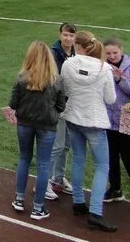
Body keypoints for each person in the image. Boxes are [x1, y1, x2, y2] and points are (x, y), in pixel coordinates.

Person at [60, 30, 117, 232]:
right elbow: (110, 99)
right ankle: (95, 212)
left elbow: (64, 90)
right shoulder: (104, 68)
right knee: (102, 166)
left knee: (78, 159)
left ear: (78, 46)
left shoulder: (69, 64)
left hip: (73, 118)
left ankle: (78, 202)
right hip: (94, 121)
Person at [9, 41, 65, 220]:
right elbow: (61, 105)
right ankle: (38, 207)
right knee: (43, 164)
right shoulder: (56, 80)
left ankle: (19, 199)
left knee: (24, 158)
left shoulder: (22, 77)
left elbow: (13, 103)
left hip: (24, 124)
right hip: (47, 127)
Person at [103, 38, 130, 203]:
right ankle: (115, 189)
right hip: (108, 121)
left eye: (115, 52)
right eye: (108, 53)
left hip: (128, 121)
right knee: (111, 157)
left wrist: (119, 80)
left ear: (121, 50)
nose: (112, 56)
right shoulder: (103, 66)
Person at [48, 22, 76, 197]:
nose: (68, 38)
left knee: (66, 145)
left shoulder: (76, 52)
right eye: (65, 35)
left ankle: (59, 177)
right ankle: (44, 183)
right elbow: (53, 78)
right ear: (60, 35)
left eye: (71, 35)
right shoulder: (53, 53)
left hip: (71, 104)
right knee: (57, 146)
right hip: (57, 104)